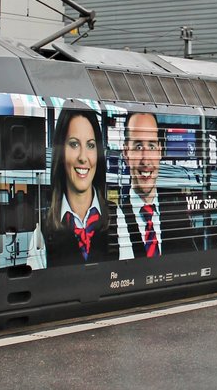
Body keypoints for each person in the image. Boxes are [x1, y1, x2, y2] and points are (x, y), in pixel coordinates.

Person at [28, 105, 113, 269]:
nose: (83, 157)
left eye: (90, 145)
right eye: (74, 144)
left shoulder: (119, 218)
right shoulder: (41, 234)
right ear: (61, 154)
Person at [117, 111, 198, 258]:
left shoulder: (177, 212)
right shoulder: (115, 217)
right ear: (126, 154)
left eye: (152, 146)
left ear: (159, 152)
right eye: (138, 147)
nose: (146, 160)